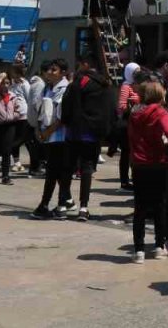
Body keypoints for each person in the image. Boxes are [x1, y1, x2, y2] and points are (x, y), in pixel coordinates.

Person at [126, 80, 168, 262]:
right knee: (160, 205)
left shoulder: (134, 113)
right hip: (158, 162)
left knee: (140, 206)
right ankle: (158, 246)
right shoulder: (160, 112)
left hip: (139, 163)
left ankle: (138, 250)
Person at [61, 52, 114, 221]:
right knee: (87, 170)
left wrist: (67, 121)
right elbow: (109, 111)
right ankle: (84, 207)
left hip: (74, 132)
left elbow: (66, 106)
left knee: (67, 168)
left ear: (85, 64)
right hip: (92, 134)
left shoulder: (77, 83)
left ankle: (64, 202)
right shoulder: (105, 85)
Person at [31, 59, 74, 219]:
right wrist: (38, 129)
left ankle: (54, 205)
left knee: (56, 172)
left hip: (60, 137)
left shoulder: (64, 89)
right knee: (54, 172)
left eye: (54, 70)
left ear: (62, 73)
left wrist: (47, 132)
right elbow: (41, 110)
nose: (49, 73)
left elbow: (61, 117)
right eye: (49, 70)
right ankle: (61, 203)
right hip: (49, 136)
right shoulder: (47, 88)